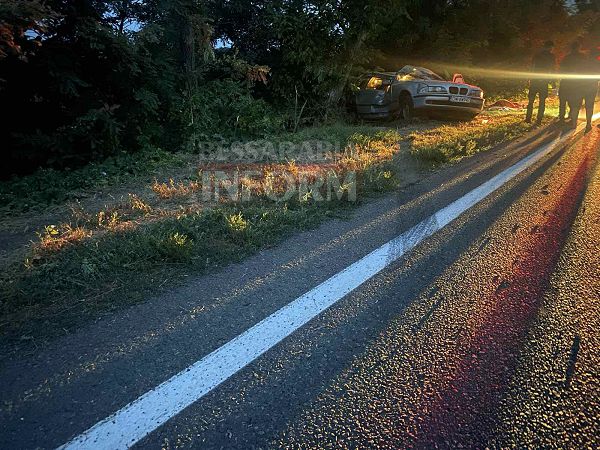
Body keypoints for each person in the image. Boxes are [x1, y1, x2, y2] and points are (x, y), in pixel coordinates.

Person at [526, 41, 555, 125]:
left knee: (531, 100)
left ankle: (528, 118)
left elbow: (532, 67)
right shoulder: (551, 56)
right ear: (550, 47)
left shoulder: (537, 55)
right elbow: (552, 69)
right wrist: (553, 81)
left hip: (535, 80)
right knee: (542, 101)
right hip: (544, 81)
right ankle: (539, 119)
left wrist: (529, 78)